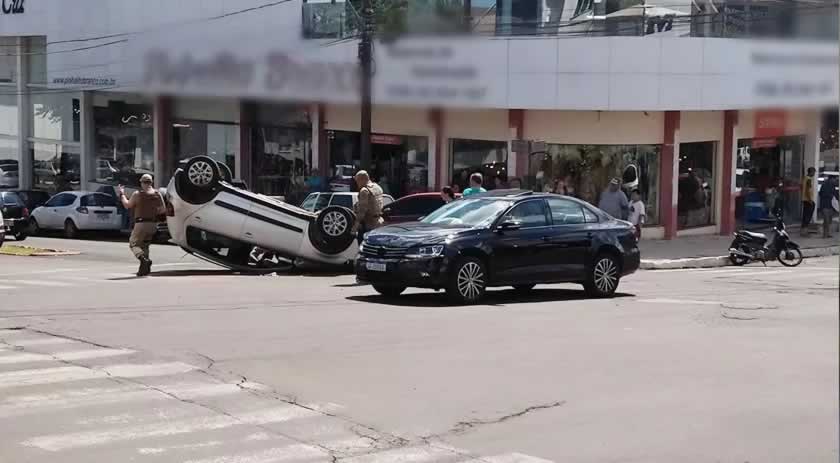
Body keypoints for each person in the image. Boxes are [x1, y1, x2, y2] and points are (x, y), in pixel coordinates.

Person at [119, 174, 164, 276]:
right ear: (151, 182)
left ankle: (143, 260)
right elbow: (162, 210)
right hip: (153, 225)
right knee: (145, 246)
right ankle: (144, 270)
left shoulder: (137, 194)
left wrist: (122, 194)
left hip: (141, 224)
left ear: (142, 183)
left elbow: (127, 205)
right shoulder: (158, 194)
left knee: (133, 244)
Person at [351, 170, 385, 245]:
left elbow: (362, 210)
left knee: (364, 248)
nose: (357, 183)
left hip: (368, 225)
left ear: (363, 179)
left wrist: (355, 226)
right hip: (378, 222)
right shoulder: (377, 187)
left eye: (357, 181)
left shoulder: (364, 191)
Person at [801, 167, 816, 235]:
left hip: (805, 199)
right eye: (814, 172)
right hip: (808, 199)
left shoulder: (805, 178)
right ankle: (804, 230)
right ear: (811, 172)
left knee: (805, 215)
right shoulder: (809, 179)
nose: (814, 174)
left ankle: (803, 230)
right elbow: (807, 190)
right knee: (807, 215)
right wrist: (810, 200)